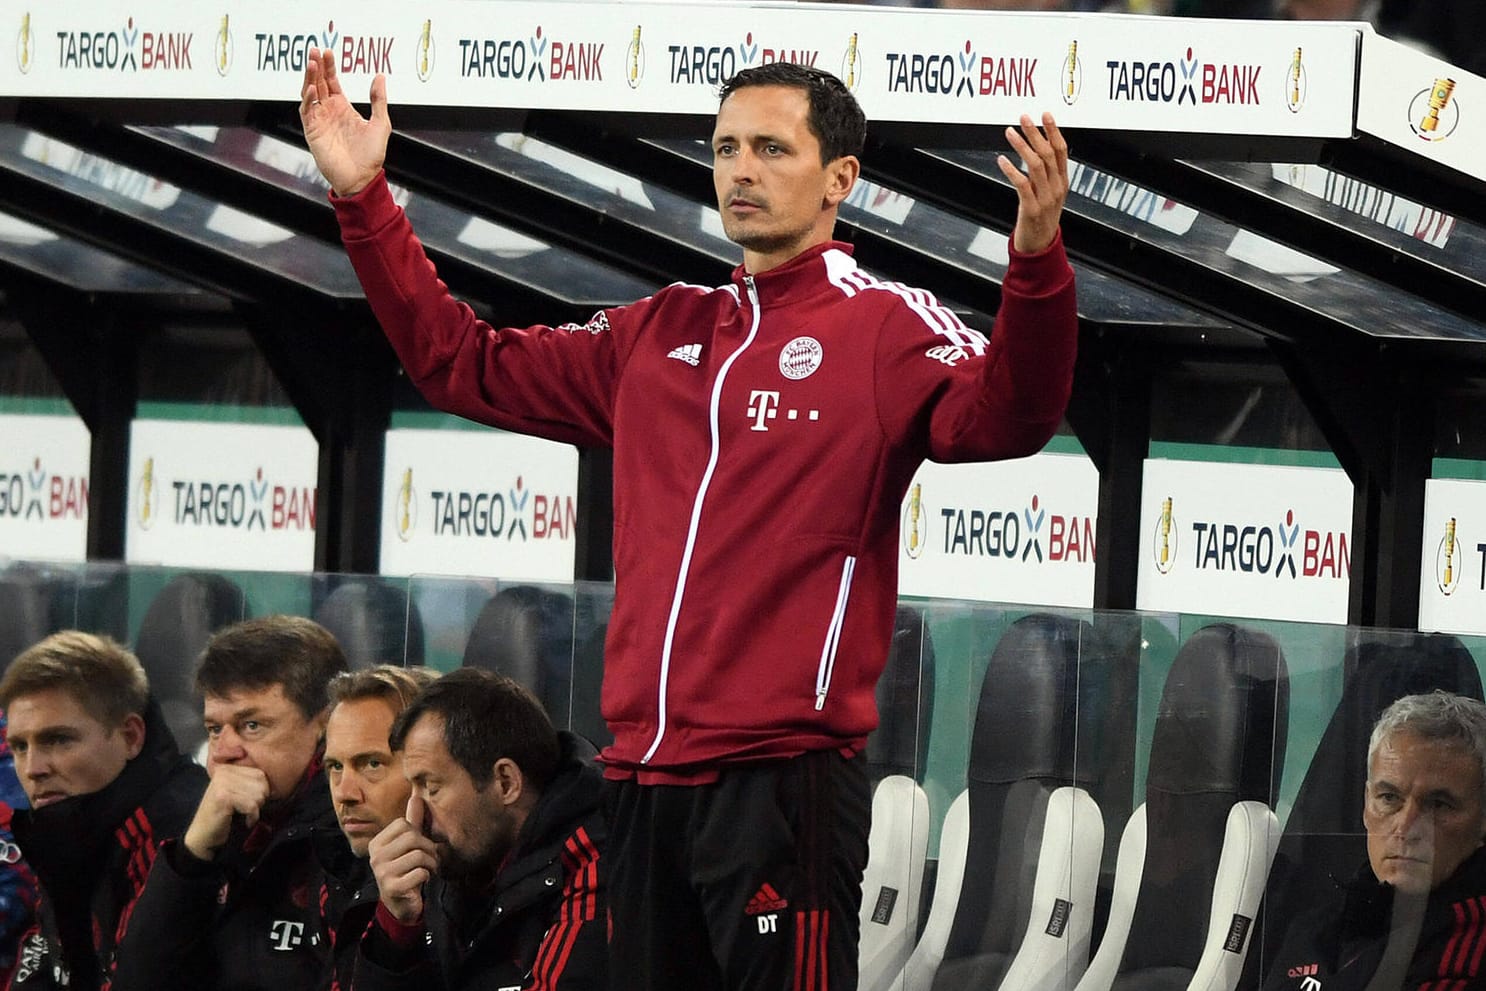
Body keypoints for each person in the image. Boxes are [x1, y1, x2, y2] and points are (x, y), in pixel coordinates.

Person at [300, 49, 1075, 989]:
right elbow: (459, 362)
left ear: (841, 180)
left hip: (780, 781)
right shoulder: (658, 332)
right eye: (725, 148)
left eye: (771, 149)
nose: (741, 170)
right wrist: (366, 201)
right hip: (640, 784)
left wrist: (1035, 263)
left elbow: (1009, 418)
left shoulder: (886, 326)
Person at [110, 616, 349, 991]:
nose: (222, 754)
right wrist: (191, 858)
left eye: (252, 725)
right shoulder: (214, 822)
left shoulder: (351, 837)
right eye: (214, 729)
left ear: (326, 727)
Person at [355, 667, 605, 991]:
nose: (413, 814)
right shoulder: (452, 861)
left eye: (430, 787)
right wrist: (398, 927)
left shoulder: (594, 863)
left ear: (505, 782)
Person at [0, 632, 206, 991]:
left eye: (58, 739)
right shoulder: (66, 825)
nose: (33, 768)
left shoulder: (181, 834)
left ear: (130, 736)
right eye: (19, 746)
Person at [1264, 691, 1486, 991]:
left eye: (1438, 805)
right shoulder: (1320, 923)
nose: (1406, 826)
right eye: (1390, 798)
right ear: (1367, 804)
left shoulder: (1468, 949)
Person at [318, 665, 436, 991]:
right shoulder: (331, 871)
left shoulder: (469, 893)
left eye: (372, 763)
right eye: (335, 767)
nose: (344, 793)